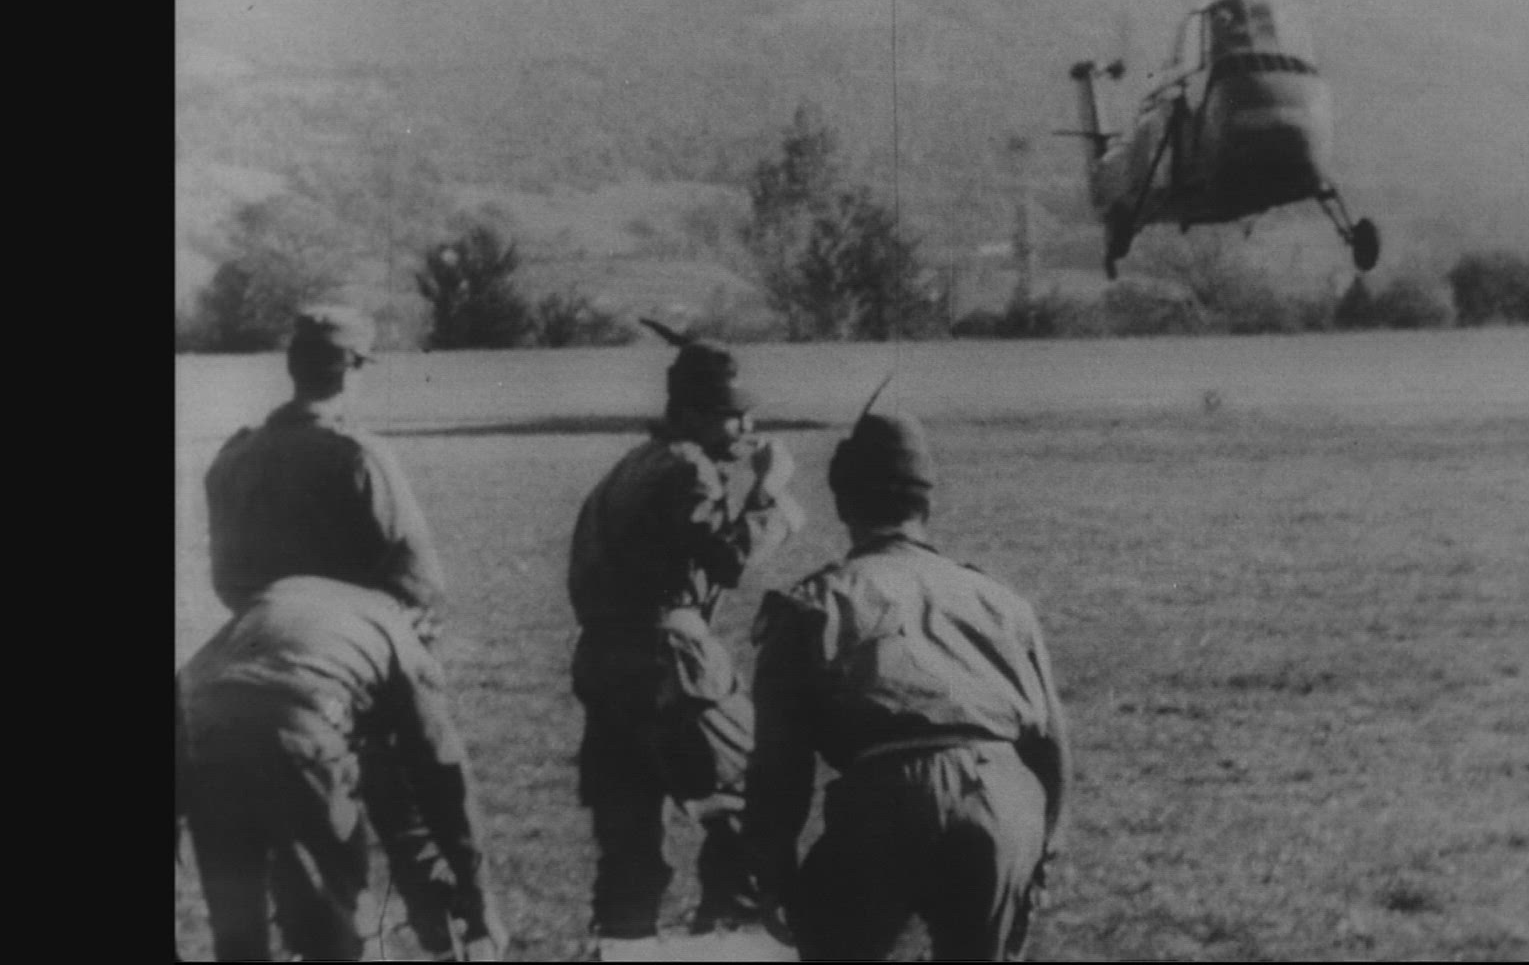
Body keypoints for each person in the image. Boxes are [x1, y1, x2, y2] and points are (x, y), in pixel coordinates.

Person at [743, 408, 1072, 961]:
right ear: (928, 504)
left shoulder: (814, 603)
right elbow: (1051, 746)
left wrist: (773, 873)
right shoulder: (1001, 600)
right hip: (1003, 797)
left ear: (844, 504)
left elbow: (780, 764)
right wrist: (1042, 852)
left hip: (888, 798)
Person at [565, 324, 807, 941]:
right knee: (752, 805)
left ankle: (623, 947)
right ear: (692, 413)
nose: (748, 428)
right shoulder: (689, 469)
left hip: (605, 666)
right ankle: (729, 944)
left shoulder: (633, 466)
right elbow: (729, 562)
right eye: (733, 414)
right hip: (671, 662)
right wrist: (771, 497)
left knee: (629, 848)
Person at [177, 575, 506, 961]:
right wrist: (478, 896)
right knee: (345, 922)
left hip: (199, 726)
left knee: (239, 931)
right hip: (297, 729)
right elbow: (442, 773)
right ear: (416, 614)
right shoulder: (398, 632)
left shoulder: (296, 595)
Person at [204, 305, 446, 635]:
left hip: (251, 633)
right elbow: (420, 585)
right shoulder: (359, 456)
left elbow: (226, 579)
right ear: (349, 371)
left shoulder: (233, 456)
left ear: (293, 366)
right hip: (342, 636)